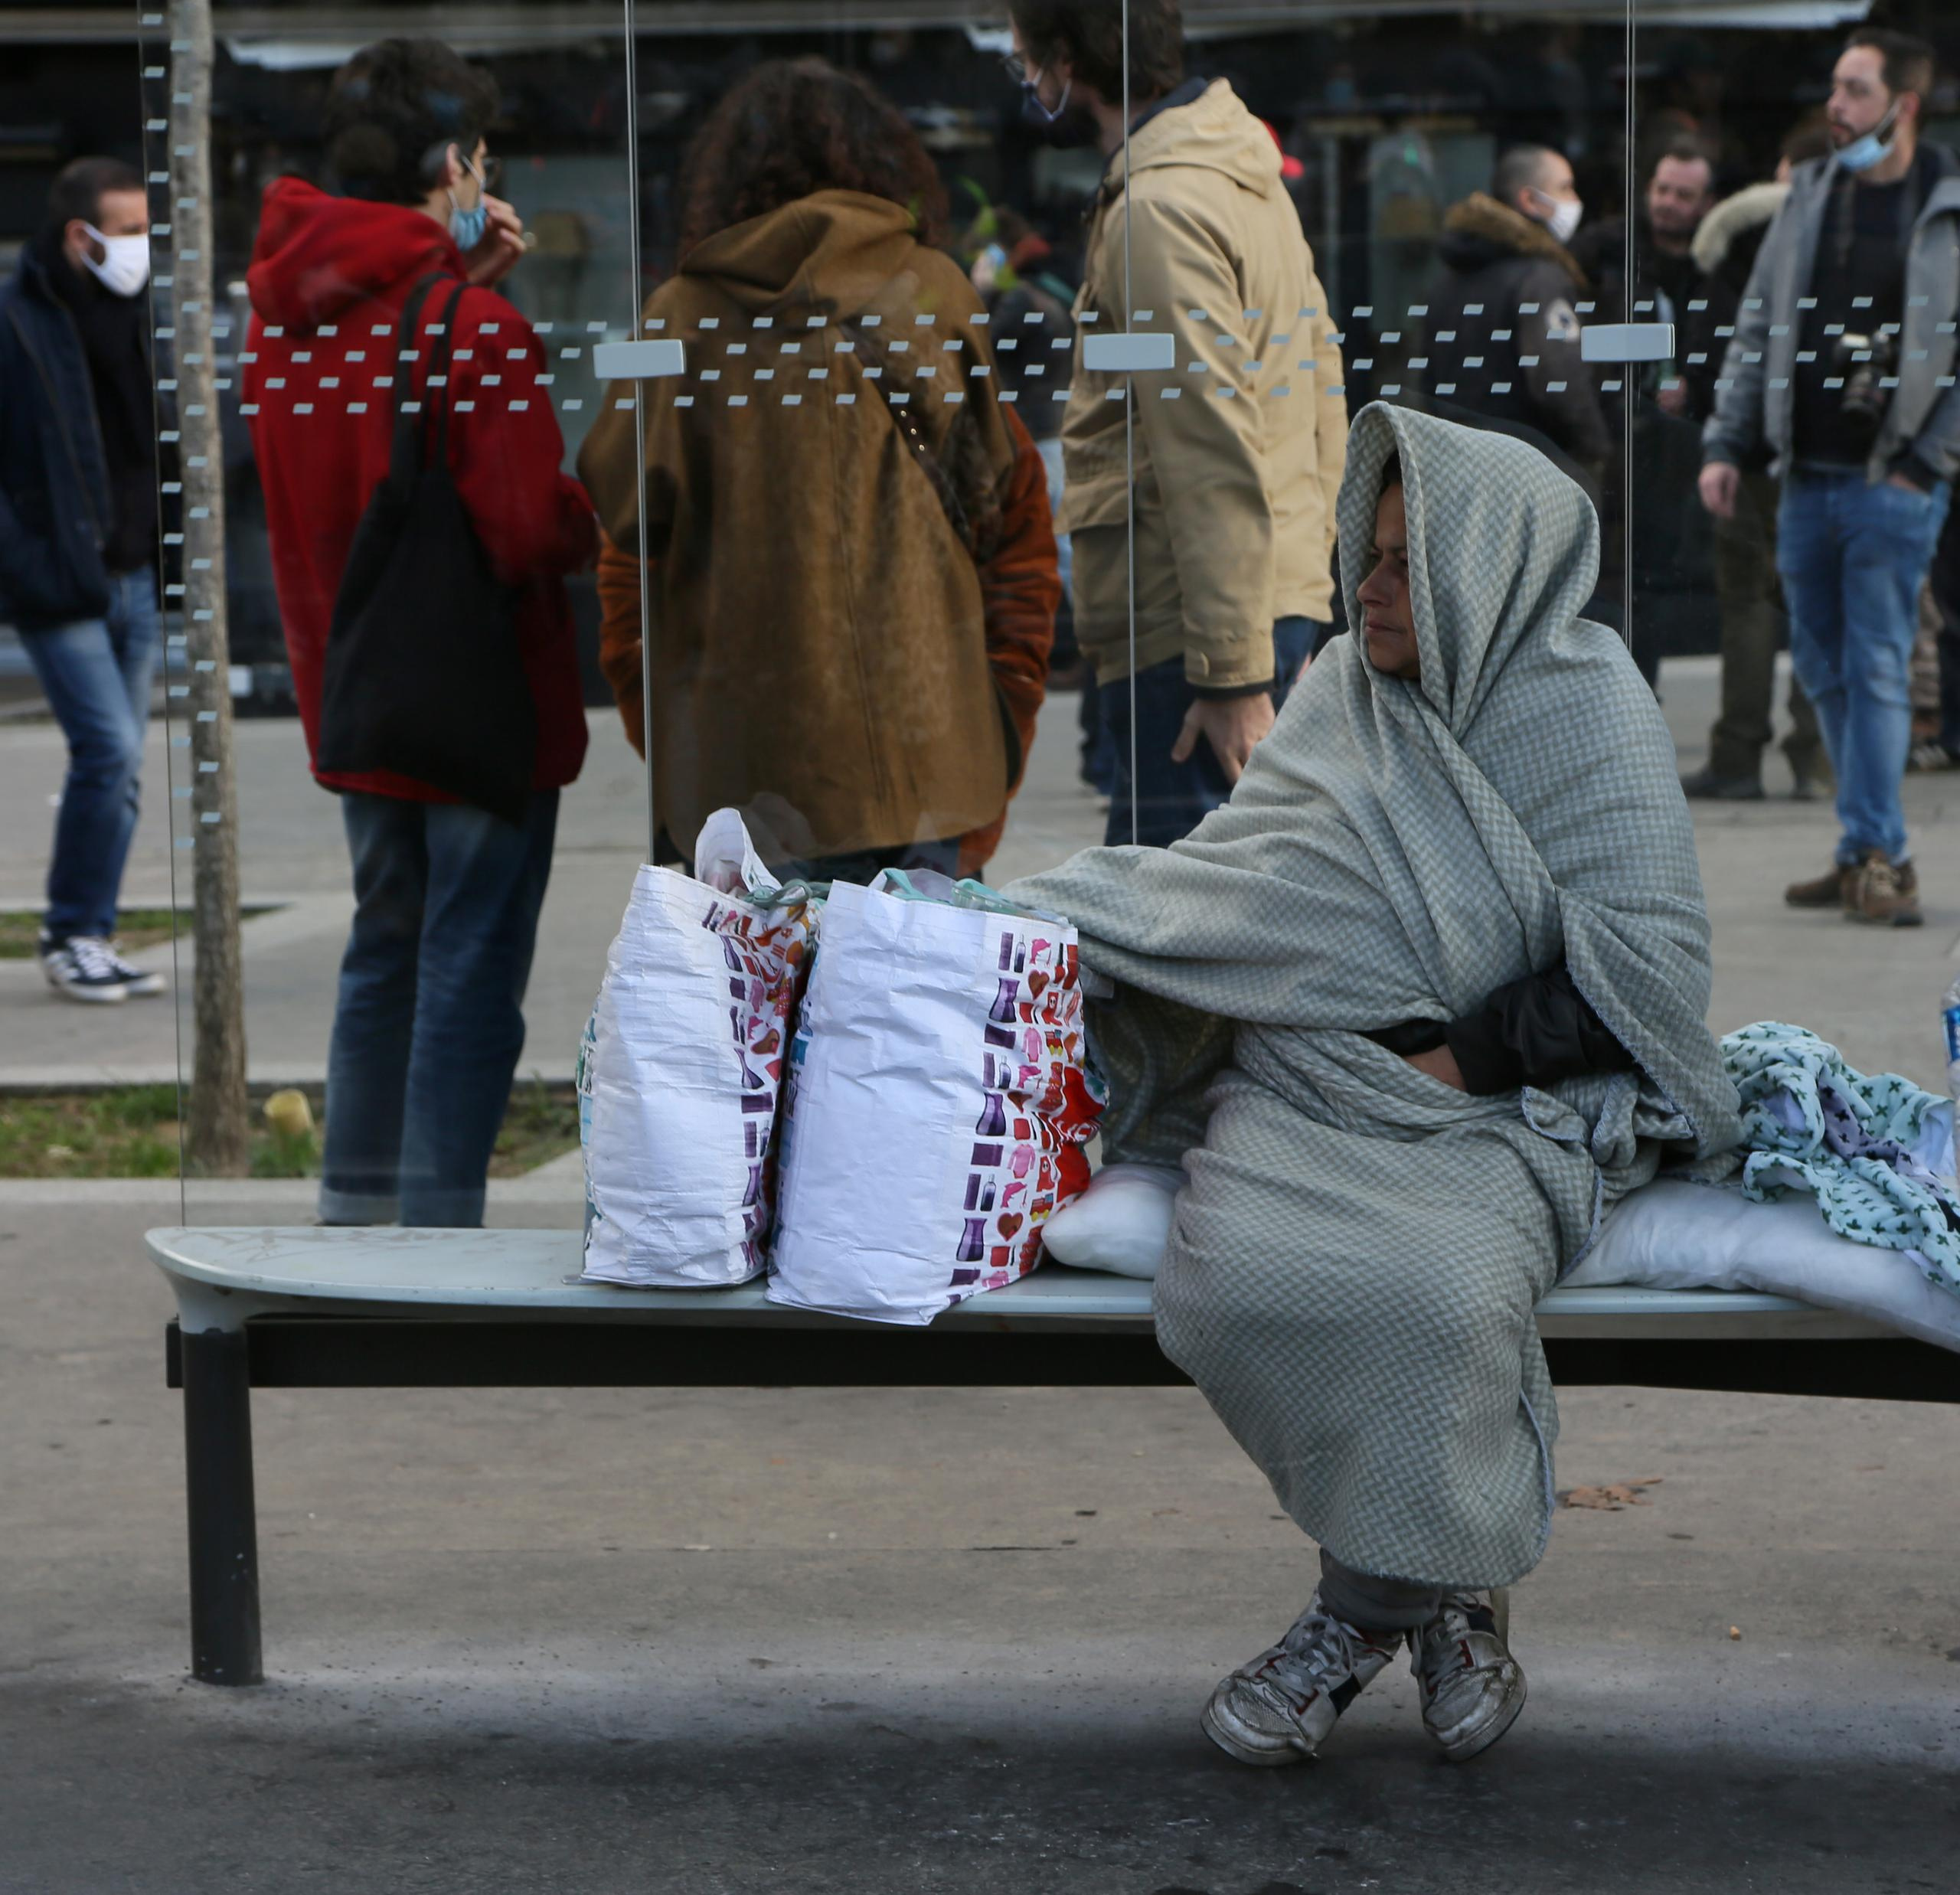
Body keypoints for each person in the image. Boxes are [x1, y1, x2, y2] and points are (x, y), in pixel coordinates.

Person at [1013, 405, 1740, 1766]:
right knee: (1232, 1275)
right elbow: (1243, 884)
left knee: (1445, 1291)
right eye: (1371, 554)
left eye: (1410, 562)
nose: (1373, 586)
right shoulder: (1347, 695)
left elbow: (1649, 968)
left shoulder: (1587, 707)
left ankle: (1360, 1614)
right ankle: (1449, 1595)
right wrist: (1066, 917)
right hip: (1307, 1077)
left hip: (1498, 1103)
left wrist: (1466, 1054)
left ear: (1491, 566)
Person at [243, 38, 598, 1225]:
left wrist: (464, 285)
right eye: (480, 158)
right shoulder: (475, 333)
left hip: (352, 688)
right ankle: (436, 1228)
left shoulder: (280, 318)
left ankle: (356, 1208)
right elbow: (528, 532)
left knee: (382, 943)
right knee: (468, 963)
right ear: (452, 166)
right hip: (472, 697)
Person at [577, 58, 1059, 886]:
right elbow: (1002, 511)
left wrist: (664, 728)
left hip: (737, 775)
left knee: (755, 1012)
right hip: (925, 763)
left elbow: (624, 529)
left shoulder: (681, 317)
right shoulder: (930, 291)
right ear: (880, 163)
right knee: (903, 1009)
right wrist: (999, 710)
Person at [1005, 0, 1348, 848]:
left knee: (1175, 929)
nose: (1021, 76)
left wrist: (1234, 672)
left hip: (1190, 628)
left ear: (1065, 60)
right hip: (1248, 602)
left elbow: (1205, 436)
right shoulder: (1241, 174)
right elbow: (1318, 387)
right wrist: (1299, 598)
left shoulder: (1157, 205)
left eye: (1023, 55)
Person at [1700, 29, 1960, 928]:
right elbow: (1757, 328)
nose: (1836, 107)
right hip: (1803, 476)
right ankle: (1863, 846)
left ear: (1903, 104)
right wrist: (1726, 444)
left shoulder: (1945, 208)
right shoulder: (1810, 196)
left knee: (1877, 666)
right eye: (1835, 89)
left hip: (1892, 482)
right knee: (1822, 667)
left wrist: (1927, 466)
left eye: (1854, 90)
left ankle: (1884, 854)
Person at [0, 158, 166, 1004]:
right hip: (62, 583)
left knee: (121, 764)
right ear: (80, 236)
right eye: (130, 231)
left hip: (138, 575)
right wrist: (26, 561)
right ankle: (73, 933)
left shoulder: (145, 314)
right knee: (110, 750)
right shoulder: (17, 316)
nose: (142, 248)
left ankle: (88, 931)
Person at [1677, 122, 1834, 801]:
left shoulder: (1728, 246)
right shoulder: (1834, 241)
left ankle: (1738, 757)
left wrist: (1722, 439)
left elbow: (1715, 354)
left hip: (1741, 457)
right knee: (1817, 611)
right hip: (1818, 456)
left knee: (1747, 607)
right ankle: (1816, 757)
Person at [1423, 145, 1612, 486]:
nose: (1575, 200)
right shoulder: (1540, 279)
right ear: (1530, 200)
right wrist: (1597, 446)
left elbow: (1425, 381)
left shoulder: (1446, 283)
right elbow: (1558, 377)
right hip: (1531, 471)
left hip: (1457, 470)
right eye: (1565, 188)